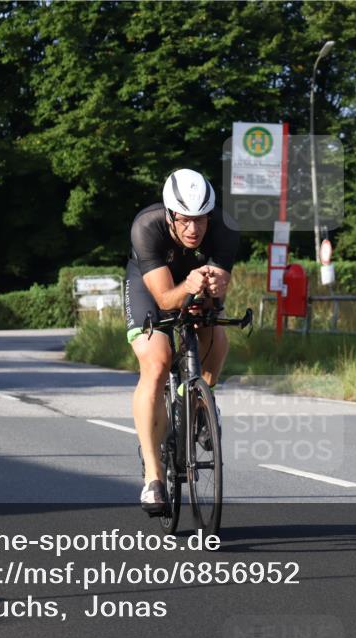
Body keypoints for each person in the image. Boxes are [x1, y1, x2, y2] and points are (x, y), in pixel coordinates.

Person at [125, 169, 239, 514]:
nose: (193, 229)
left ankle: (198, 403)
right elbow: (164, 299)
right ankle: (154, 477)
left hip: (195, 283)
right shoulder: (147, 227)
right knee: (157, 361)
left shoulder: (225, 228)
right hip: (151, 287)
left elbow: (217, 292)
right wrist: (187, 286)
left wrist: (215, 290)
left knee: (216, 337)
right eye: (185, 220)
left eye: (201, 220)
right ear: (170, 215)